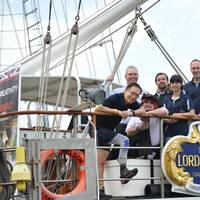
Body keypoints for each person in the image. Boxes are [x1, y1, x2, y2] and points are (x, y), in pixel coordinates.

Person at [95, 82, 145, 198]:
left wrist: (132, 112)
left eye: (136, 95)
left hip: (107, 130)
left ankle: (100, 191)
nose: (133, 96)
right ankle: (123, 170)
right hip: (99, 128)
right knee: (125, 140)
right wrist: (117, 112)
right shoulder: (115, 98)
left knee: (101, 162)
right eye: (132, 93)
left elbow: (143, 111)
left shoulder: (131, 103)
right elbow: (98, 108)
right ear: (126, 90)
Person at [126, 94, 168, 159]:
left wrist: (144, 115)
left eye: (151, 103)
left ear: (155, 106)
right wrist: (138, 128)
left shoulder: (159, 114)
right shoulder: (135, 117)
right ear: (142, 104)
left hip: (158, 150)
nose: (148, 104)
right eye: (146, 102)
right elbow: (128, 132)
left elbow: (165, 111)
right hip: (139, 151)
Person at [163, 74, 195, 142]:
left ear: (181, 84)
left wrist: (177, 115)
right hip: (169, 133)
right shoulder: (167, 99)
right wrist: (168, 120)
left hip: (183, 134)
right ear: (170, 85)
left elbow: (192, 113)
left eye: (177, 83)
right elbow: (163, 115)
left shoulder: (186, 98)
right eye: (172, 83)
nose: (174, 85)